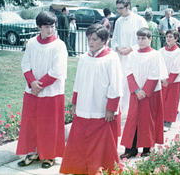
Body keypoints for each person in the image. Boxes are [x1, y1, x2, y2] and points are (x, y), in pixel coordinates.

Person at [60, 24, 123, 175]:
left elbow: (115, 85)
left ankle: (98, 169)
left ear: (104, 40)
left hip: (101, 107)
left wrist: (111, 108)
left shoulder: (111, 57)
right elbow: (78, 81)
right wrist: (74, 102)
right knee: (80, 141)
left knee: (100, 143)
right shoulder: (84, 57)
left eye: (95, 39)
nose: (91, 42)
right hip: (83, 105)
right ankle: (79, 168)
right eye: (89, 39)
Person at [16, 11, 67, 168]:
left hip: (52, 92)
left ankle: (49, 155)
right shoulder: (31, 43)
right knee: (32, 122)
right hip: (32, 90)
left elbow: (57, 70)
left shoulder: (59, 45)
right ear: (39, 27)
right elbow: (26, 64)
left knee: (50, 125)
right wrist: (32, 83)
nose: (50, 30)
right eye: (46, 27)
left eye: (52, 26)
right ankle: (33, 152)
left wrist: (39, 85)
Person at [120, 27, 168, 159]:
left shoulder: (155, 55)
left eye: (144, 38)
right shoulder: (133, 55)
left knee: (148, 120)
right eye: (139, 38)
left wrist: (145, 92)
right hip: (136, 93)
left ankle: (147, 148)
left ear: (150, 39)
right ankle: (131, 149)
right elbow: (128, 73)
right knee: (132, 119)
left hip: (150, 93)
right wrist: (136, 90)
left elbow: (155, 74)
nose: (140, 41)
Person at [111, 0, 148, 114]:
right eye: (117, 9)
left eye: (121, 8)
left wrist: (131, 48)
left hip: (136, 58)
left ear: (128, 7)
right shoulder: (118, 21)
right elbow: (114, 39)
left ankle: (133, 112)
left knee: (134, 84)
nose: (119, 11)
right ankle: (122, 111)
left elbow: (146, 40)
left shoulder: (139, 20)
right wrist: (118, 48)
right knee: (122, 84)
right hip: (122, 58)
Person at [159, 29, 180, 128]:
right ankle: (161, 119)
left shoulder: (179, 53)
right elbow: (159, 65)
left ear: (176, 38)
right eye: (167, 37)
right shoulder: (161, 51)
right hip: (162, 80)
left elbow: (177, 68)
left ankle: (168, 121)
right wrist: (162, 78)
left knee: (171, 101)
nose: (168, 39)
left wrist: (169, 80)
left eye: (171, 37)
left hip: (173, 81)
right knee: (162, 100)